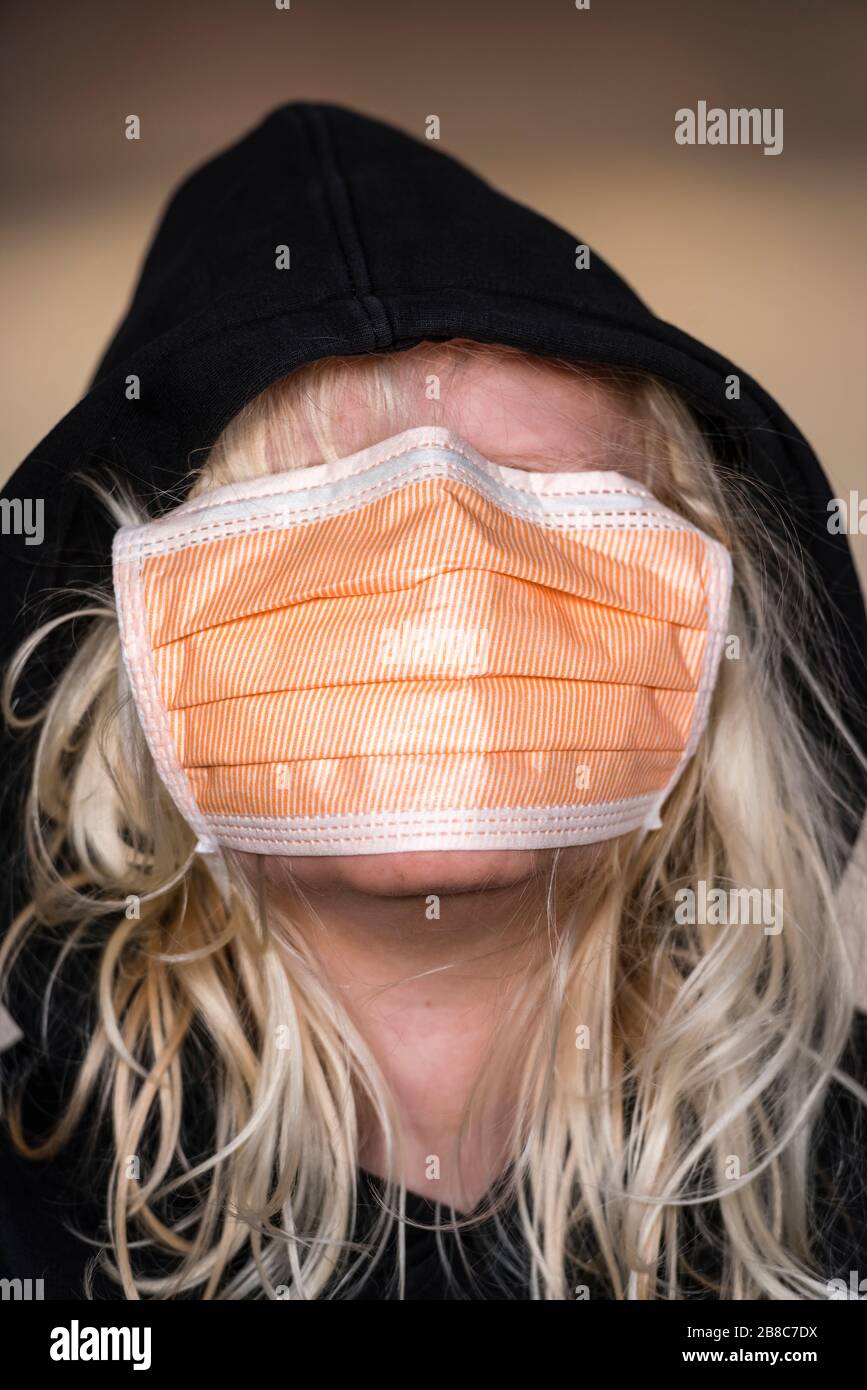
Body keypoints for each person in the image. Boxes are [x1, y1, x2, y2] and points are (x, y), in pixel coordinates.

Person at [1, 102, 865, 1302]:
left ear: (701, 609)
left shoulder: (848, 1173)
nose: (443, 567)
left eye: (535, 481)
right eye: (321, 491)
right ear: (135, 652)